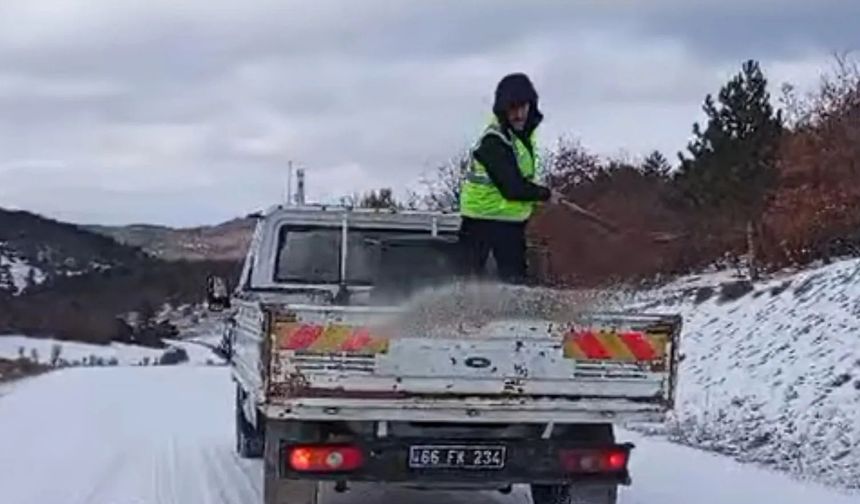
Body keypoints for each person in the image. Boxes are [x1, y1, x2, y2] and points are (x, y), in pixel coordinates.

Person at [458, 73, 561, 283]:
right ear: (502, 110)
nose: (519, 115)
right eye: (512, 109)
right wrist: (545, 194)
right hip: (481, 221)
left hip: (510, 221)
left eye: (523, 107)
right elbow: (512, 188)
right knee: (468, 282)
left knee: (515, 283)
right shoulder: (493, 141)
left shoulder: (522, 136)